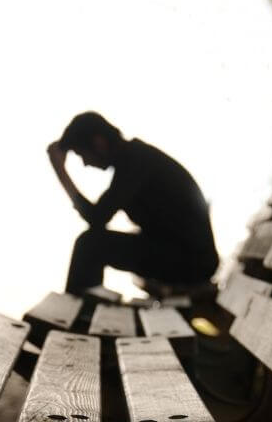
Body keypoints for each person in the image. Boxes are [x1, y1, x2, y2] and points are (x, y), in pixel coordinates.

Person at [47, 112, 219, 296]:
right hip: (189, 257)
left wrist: (61, 171)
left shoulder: (135, 161)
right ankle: (82, 307)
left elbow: (97, 218)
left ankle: (74, 313)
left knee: (90, 244)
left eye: (83, 155)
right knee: (92, 243)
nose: (85, 164)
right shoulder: (134, 158)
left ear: (99, 144)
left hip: (192, 262)